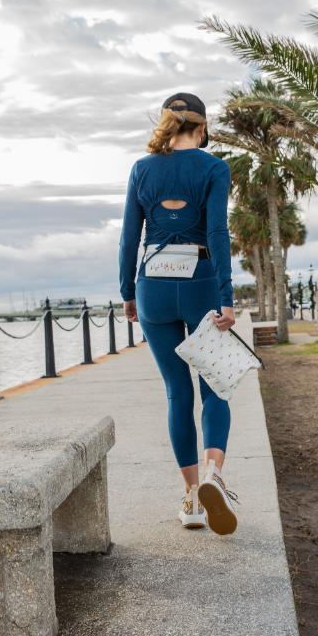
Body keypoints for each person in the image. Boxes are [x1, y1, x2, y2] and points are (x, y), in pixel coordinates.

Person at [119, 92, 239, 536]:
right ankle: (213, 474)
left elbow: (129, 237)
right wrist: (226, 296)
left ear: (167, 124)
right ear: (203, 128)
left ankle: (191, 500)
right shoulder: (213, 167)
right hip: (202, 282)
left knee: (176, 392)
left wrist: (128, 292)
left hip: (153, 286)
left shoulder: (142, 169)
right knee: (215, 388)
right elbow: (217, 232)